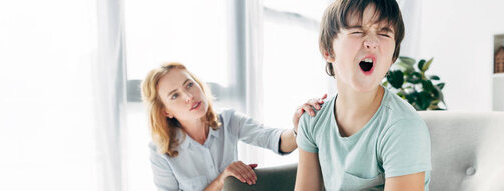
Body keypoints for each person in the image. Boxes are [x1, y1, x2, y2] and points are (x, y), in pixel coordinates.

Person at [294, 0, 432, 190]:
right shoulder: (312, 120)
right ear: (328, 50)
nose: (372, 42)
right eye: (357, 31)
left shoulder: (402, 127)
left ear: (393, 57)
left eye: (384, 33)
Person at [141, 62, 326, 191]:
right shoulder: (160, 152)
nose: (188, 96)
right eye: (175, 95)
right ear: (166, 112)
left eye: (189, 84)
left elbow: (275, 140)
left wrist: (298, 127)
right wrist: (222, 180)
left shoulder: (228, 120)